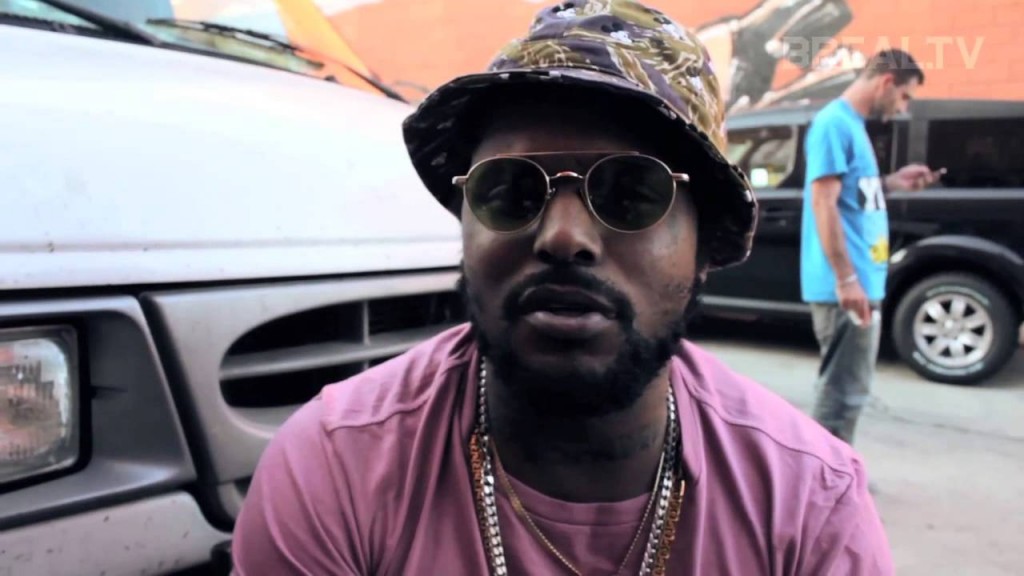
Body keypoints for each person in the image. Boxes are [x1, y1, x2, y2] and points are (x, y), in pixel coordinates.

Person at [231, 2, 893, 574]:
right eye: (510, 190)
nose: (563, 236)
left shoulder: (809, 504)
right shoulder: (337, 468)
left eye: (631, 192)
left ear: (704, 246)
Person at [801, 48, 939, 447]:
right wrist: (846, 279)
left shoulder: (853, 126)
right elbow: (823, 203)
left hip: (861, 281)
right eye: (905, 96)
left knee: (850, 389)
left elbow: (851, 197)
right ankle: (826, 477)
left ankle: (832, 472)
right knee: (842, 393)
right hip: (847, 287)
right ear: (887, 82)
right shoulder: (834, 123)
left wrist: (893, 183)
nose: (903, 107)